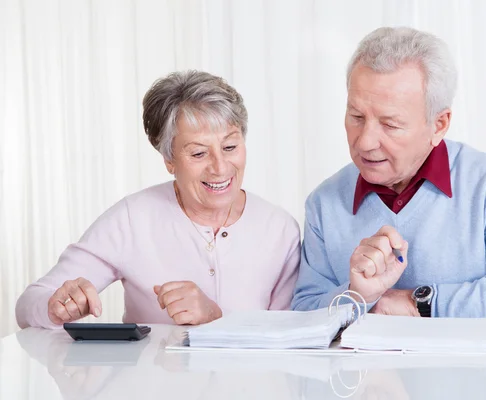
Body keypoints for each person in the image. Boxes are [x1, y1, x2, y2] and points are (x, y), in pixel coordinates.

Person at [291, 27, 486, 325]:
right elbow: (303, 312)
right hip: (365, 374)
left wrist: (419, 302)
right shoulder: (324, 202)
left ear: (439, 125)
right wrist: (357, 296)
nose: (364, 141)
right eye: (356, 117)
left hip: (473, 373)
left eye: (390, 124)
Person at [16, 70, 301, 329]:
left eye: (230, 147)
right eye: (198, 153)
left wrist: (217, 319)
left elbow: (288, 339)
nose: (220, 167)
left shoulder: (279, 229)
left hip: (252, 387)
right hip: (149, 385)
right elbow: (30, 303)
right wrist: (56, 306)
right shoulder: (132, 218)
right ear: (169, 160)